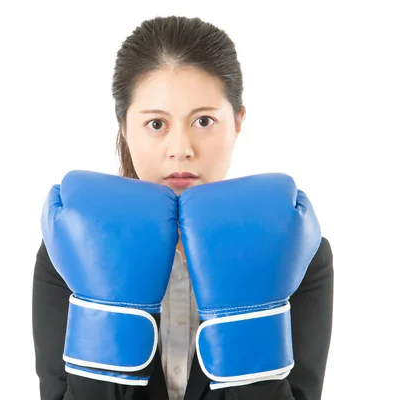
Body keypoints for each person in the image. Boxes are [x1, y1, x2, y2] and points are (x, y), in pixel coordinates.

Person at [32, 15, 334, 400]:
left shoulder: (296, 250)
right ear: (124, 127)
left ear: (238, 122)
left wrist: (245, 320)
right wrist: (108, 309)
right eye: (156, 124)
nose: (181, 148)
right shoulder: (72, 246)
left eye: (204, 121)